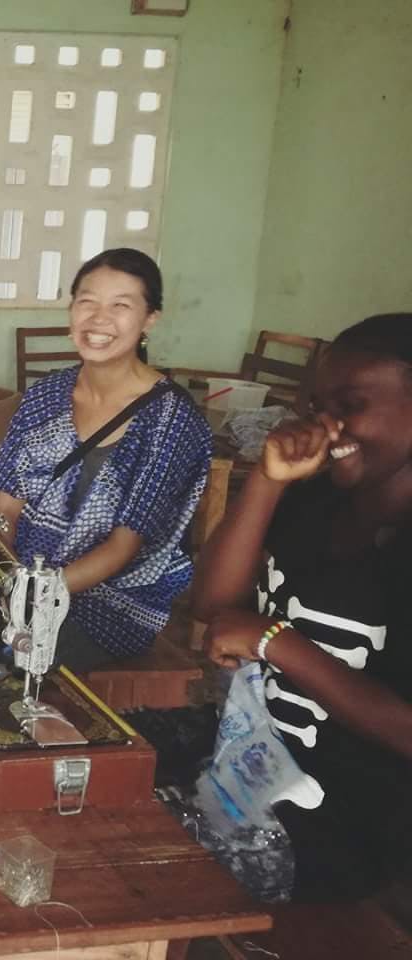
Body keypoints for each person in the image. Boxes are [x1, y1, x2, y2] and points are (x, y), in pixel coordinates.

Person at [192, 313, 412, 902]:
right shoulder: (317, 499)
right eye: (317, 406)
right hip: (241, 764)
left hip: (343, 825)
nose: (325, 425)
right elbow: (213, 606)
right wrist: (268, 482)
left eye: (351, 404)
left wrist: (274, 641)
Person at [0, 248, 212, 670]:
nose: (98, 318)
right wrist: (1, 577)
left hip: (111, 605)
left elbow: (122, 548)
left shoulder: (171, 420)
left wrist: (31, 596)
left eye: (120, 306)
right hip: (20, 580)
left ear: (150, 319)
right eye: (87, 301)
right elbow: (6, 509)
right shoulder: (45, 397)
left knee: (10, 662)